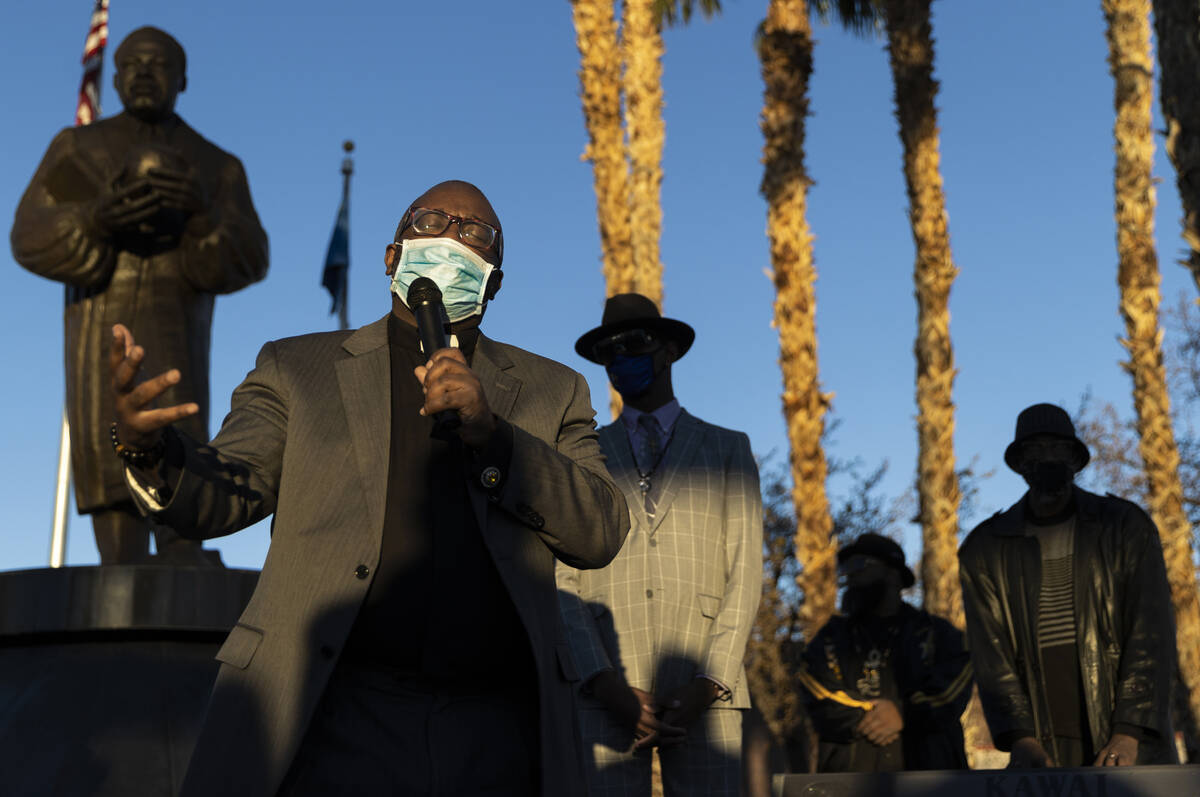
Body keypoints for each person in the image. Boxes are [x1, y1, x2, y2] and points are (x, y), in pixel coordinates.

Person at [108, 180, 629, 796]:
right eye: (431, 220)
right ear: (393, 255)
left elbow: (600, 529)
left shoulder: (554, 390)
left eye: (474, 233)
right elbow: (227, 488)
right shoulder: (297, 368)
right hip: (330, 712)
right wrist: (147, 450)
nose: (451, 238)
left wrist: (497, 438)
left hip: (496, 729)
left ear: (492, 281)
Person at [11, 26, 269, 564]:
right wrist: (96, 219)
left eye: (159, 65)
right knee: (104, 450)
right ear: (118, 75)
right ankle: (118, 566)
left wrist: (201, 214)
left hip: (177, 328)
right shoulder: (77, 148)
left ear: (183, 81)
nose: (145, 74)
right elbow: (27, 235)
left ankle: (183, 551)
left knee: (179, 434)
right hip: (100, 323)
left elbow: (250, 256)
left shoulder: (215, 165)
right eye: (132, 64)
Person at [557, 293, 763, 796]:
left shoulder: (726, 449)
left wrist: (710, 680)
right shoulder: (581, 453)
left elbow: (746, 571)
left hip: (706, 691)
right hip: (604, 690)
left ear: (669, 349)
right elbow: (562, 575)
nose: (623, 358)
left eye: (637, 343)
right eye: (610, 351)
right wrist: (602, 679)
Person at [959, 403, 1178, 768]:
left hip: (1120, 737)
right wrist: (1022, 739)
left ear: (1075, 458)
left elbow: (1151, 632)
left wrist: (1129, 730)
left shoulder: (1123, 526)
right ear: (1019, 464)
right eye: (1035, 450)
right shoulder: (985, 549)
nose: (1047, 459)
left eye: (1057, 448)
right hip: (1042, 745)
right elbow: (991, 655)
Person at [798, 533, 972, 772]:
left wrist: (903, 713)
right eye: (846, 568)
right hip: (850, 782)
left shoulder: (938, 635)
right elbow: (817, 691)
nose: (851, 575)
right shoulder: (831, 637)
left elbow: (951, 692)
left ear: (893, 574)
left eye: (860, 565)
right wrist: (875, 714)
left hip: (930, 779)